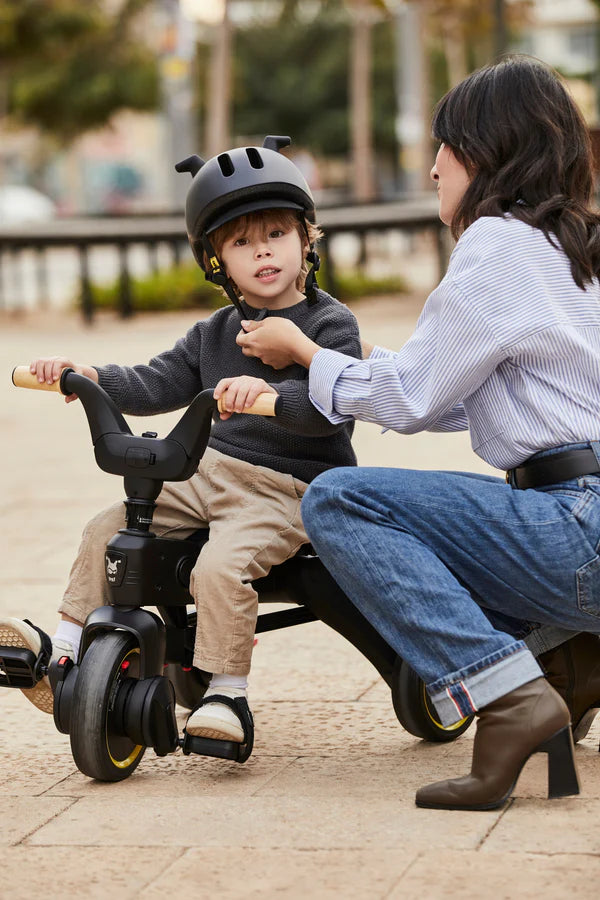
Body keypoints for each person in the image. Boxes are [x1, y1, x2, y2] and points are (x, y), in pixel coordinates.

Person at [234, 58, 600, 809]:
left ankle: (510, 697)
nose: (433, 166)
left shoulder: (496, 243)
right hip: (582, 525)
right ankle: (573, 659)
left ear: (487, 149)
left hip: (579, 528)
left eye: (446, 144)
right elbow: (481, 395)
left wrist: (306, 354)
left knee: (345, 503)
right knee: (442, 539)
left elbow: (412, 400)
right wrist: (357, 359)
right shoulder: (574, 247)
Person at [0, 137, 361, 747]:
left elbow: (331, 412)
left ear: (307, 240)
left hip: (287, 489)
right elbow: (154, 381)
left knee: (221, 567)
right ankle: (60, 652)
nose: (262, 251)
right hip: (205, 473)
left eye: (276, 234)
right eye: (241, 242)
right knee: (108, 529)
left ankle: (227, 693)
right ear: (217, 261)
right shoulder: (214, 331)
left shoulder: (329, 325)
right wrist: (89, 375)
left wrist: (268, 394)